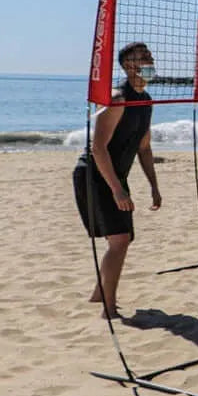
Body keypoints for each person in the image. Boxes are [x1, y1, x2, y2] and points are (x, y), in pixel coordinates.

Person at [72, 42, 161, 319]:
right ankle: (108, 310)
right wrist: (117, 190)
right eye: (141, 57)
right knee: (119, 240)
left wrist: (154, 186)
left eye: (149, 55)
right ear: (128, 66)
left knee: (124, 239)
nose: (148, 59)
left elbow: (144, 147)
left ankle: (99, 293)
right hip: (94, 174)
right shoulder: (117, 98)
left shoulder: (145, 100)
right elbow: (98, 148)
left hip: (115, 175)